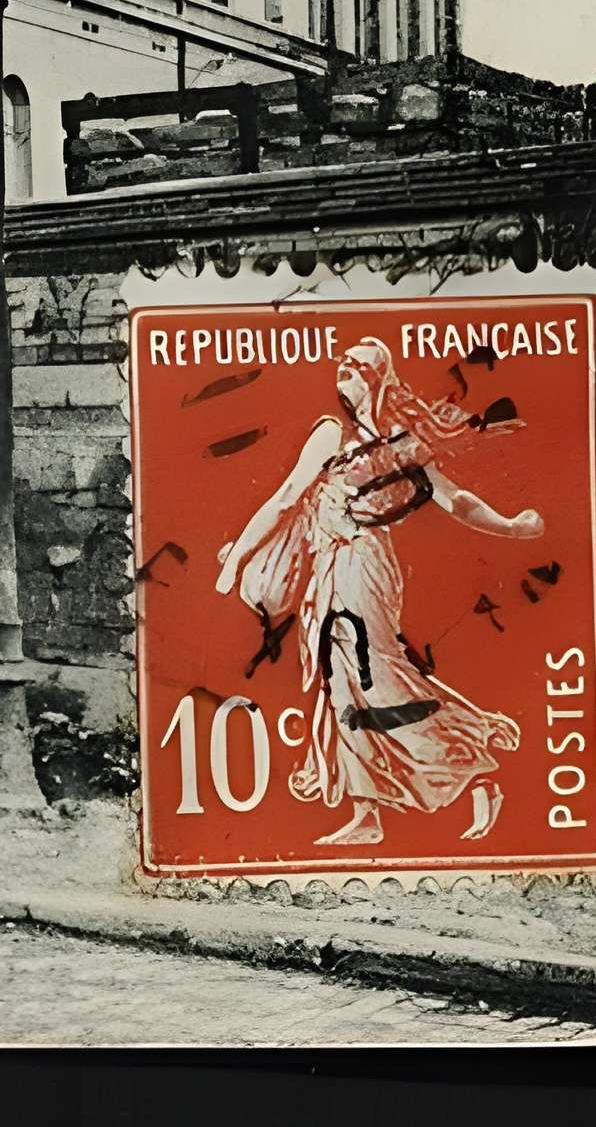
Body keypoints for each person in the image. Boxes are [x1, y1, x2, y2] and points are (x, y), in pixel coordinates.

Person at [214, 335, 544, 845]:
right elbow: (285, 499)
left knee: (377, 677)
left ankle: (474, 761)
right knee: (340, 684)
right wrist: (238, 556)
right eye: (343, 362)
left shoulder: (400, 445)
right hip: (328, 567)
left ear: (380, 379)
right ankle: (367, 814)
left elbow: (454, 499)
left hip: (364, 565)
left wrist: (511, 526)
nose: (346, 368)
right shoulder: (331, 433)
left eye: (360, 365)